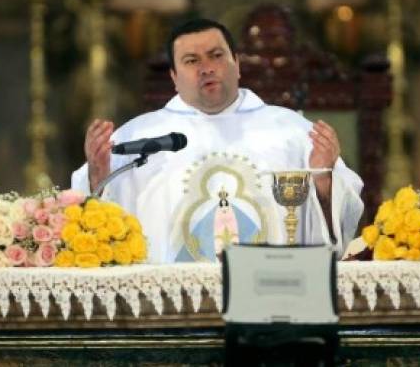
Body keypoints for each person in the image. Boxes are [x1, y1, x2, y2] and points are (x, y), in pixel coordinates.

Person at [71, 18, 364, 263]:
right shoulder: (135, 138)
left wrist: (324, 182)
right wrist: (99, 174)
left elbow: (339, 225)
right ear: (174, 76)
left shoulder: (294, 132)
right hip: (167, 310)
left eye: (216, 55)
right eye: (191, 61)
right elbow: (92, 230)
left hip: (274, 299)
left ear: (237, 63)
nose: (206, 68)